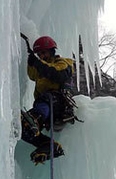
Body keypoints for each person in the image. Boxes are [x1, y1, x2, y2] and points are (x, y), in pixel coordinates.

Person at [21, 35, 75, 163]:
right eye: (39, 54)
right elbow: (32, 75)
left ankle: (35, 119)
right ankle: (49, 145)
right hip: (47, 109)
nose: (42, 56)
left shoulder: (64, 63)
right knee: (25, 130)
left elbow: (57, 74)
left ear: (52, 51)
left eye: (43, 53)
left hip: (59, 104)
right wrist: (30, 61)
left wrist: (37, 62)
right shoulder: (42, 68)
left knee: (46, 98)